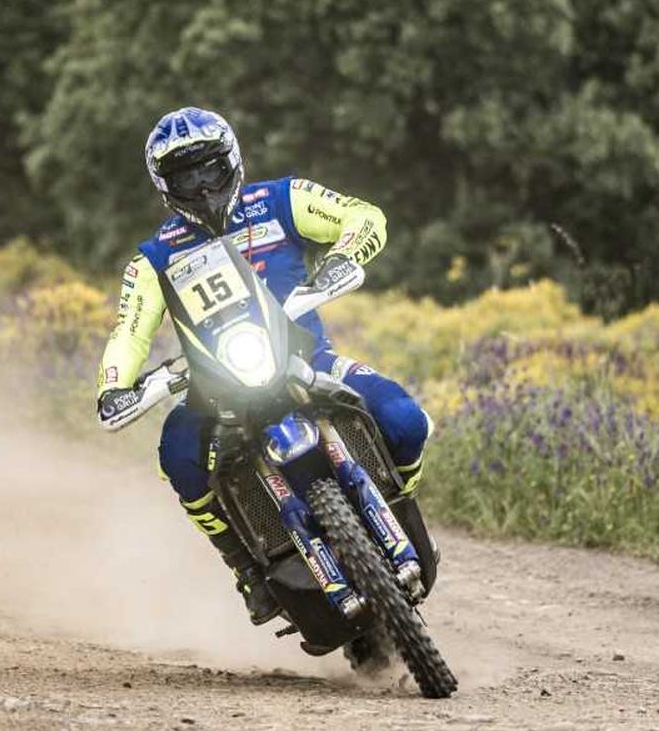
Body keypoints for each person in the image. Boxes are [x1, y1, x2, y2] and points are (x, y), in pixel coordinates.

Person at [94, 107, 431, 624]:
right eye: (186, 177)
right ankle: (245, 568)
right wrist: (115, 386)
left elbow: (364, 217)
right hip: (215, 389)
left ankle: (401, 508)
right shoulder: (153, 258)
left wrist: (343, 257)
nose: (203, 187)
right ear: (165, 186)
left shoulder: (282, 200)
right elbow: (130, 331)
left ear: (231, 161)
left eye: (210, 170)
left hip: (309, 357)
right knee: (178, 457)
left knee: (405, 421)